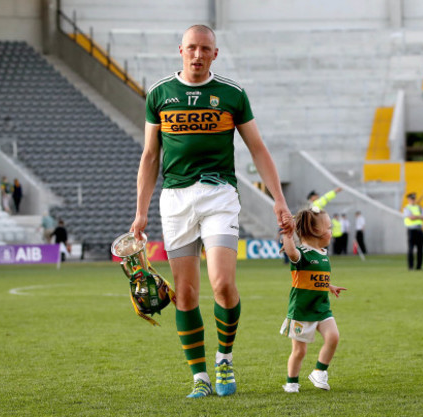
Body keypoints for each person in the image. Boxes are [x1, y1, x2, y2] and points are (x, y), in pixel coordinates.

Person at [129, 24, 293, 399]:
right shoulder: (159, 94)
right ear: (180, 51)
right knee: (184, 295)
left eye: (205, 49)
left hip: (219, 194)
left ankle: (224, 357)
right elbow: (150, 156)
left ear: (215, 54)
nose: (198, 55)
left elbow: (258, 149)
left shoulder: (232, 94)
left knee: (222, 284)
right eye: (192, 48)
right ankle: (199, 376)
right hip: (175, 201)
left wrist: (278, 199)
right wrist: (140, 212)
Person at [279, 207, 346, 393]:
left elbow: (315, 278)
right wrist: (288, 234)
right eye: (329, 227)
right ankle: (291, 382)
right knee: (300, 351)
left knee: (333, 337)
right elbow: (291, 252)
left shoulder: (323, 254)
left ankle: (319, 371)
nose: (332, 231)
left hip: (322, 308)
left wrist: (329, 286)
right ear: (317, 231)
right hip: (302, 310)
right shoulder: (303, 254)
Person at [404, 193, 423, 270]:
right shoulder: (407, 208)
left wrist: (416, 216)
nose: (413, 200)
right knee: (411, 249)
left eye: (414, 199)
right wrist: (419, 216)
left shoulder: (419, 207)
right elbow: (411, 218)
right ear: (408, 199)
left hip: (419, 230)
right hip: (411, 230)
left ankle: (419, 266)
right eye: (411, 199)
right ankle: (410, 266)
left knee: (420, 249)